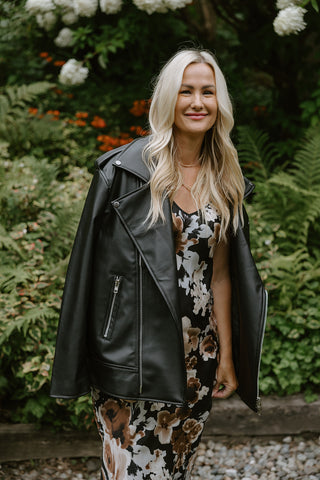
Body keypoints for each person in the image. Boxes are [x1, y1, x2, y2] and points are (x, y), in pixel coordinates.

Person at [50, 48, 267, 479]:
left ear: (219, 104)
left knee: (175, 468)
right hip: (133, 357)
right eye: (186, 91)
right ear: (168, 98)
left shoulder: (226, 177)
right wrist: (79, 359)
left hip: (195, 356)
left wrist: (225, 354)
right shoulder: (123, 172)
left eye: (208, 92)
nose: (197, 102)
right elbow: (84, 273)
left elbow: (219, 274)